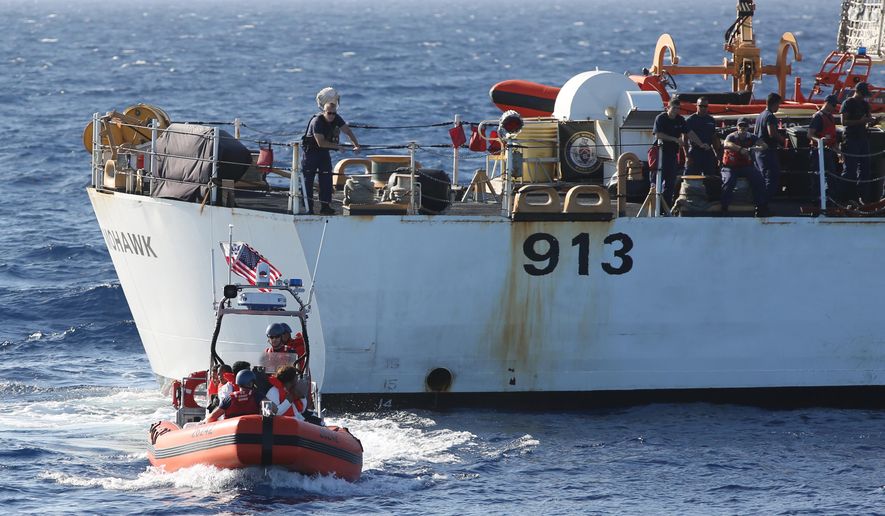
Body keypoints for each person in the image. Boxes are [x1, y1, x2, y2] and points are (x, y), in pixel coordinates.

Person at [301, 101, 361, 215]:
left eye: (334, 113)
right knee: (308, 180)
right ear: (324, 112)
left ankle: (325, 205)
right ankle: (308, 207)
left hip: (323, 153)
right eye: (329, 113)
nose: (332, 116)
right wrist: (337, 147)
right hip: (311, 153)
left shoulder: (336, 118)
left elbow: (347, 131)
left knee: (326, 178)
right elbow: (321, 142)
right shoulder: (317, 121)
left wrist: (356, 145)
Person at [720, 118, 768, 216]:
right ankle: (724, 207)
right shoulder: (732, 136)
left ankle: (760, 207)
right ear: (737, 127)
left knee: (759, 180)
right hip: (730, 167)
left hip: (746, 166)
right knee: (728, 182)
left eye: (745, 126)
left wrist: (755, 148)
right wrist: (740, 149)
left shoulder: (752, 137)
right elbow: (726, 144)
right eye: (740, 126)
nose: (743, 128)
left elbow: (764, 146)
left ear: (748, 127)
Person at [840, 81, 877, 203]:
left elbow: (868, 119)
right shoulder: (848, 103)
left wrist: (873, 121)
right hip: (851, 138)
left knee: (865, 169)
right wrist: (861, 121)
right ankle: (846, 197)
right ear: (858, 91)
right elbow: (844, 122)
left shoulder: (865, 104)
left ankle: (862, 197)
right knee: (850, 169)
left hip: (863, 138)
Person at [652, 97, 688, 207]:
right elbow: (658, 135)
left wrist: (699, 145)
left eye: (678, 108)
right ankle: (654, 207)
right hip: (660, 153)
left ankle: (665, 207)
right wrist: (675, 139)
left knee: (670, 182)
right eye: (674, 108)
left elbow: (688, 133)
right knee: (656, 181)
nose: (676, 111)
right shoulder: (660, 118)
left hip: (672, 154)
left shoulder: (680, 119)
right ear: (668, 107)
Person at [807, 94, 840, 198]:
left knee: (831, 177)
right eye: (833, 105)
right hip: (818, 152)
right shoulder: (818, 117)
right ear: (827, 103)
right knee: (817, 177)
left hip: (829, 151)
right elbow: (810, 134)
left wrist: (839, 152)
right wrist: (820, 141)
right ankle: (816, 200)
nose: (834, 107)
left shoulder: (830, 117)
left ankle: (830, 199)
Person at [754, 92, 786, 198]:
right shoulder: (770, 117)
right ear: (775, 104)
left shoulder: (760, 116)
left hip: (759, 152)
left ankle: (760, 202)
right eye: (778, 104)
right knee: (771, 177)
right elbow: (772, 133)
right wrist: (782, 140)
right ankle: (764, 204)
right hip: (768, 152)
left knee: (762, 177)